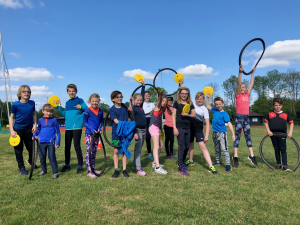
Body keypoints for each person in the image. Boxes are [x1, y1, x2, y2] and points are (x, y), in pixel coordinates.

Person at [57, 84, 88, 174]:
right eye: (70, 91)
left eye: (73, 91)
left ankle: (80, 166)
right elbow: (65, 115)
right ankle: (67, 165)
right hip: (68, 127)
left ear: (76, 91)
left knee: (76, 146)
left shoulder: (80, 100)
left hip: (77, 126)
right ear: (67, 92)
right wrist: (59, 106)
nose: (71, 92)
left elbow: (87, 109)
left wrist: (81, 107)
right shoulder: (67, 103)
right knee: (67, 147)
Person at [9, 85, 37, 175]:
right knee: (18, 150)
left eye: (28, 91)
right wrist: (11, 130)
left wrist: (35, 125)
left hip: (29, 129)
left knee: (31, 148)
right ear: (19, 93)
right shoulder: (15, 105)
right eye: (24, 91)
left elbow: (34, 115)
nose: (26, 93)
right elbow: (11, 118)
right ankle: (21, 167)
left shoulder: (32, 103)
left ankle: (31, 160)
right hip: (18, 130)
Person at [233, 66, 257, 167]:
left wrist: (252, 73)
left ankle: (251, 155)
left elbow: (252, 83)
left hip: (246, 118)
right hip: (239, 117)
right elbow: (239, 83)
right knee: (237, 137)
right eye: (241, 87)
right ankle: (235, 157)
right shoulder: (238, 95)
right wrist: (240, 73)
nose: (242, 88)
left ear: (246, 89)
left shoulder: (247, 95)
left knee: (248, 136)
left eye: (244, 87)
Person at [187, 92, 217, 174]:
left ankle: (211, 166)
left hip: (198, 130)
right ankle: (190, 161)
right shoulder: (192, 104)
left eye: (201, 99)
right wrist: (181, 83)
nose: (199, 100)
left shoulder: (204, 109)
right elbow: (188, 93)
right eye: (198, 99)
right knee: (191, 145)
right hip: (189, 129)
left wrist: (206, 135)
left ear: (203, 100)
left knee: (203, 147)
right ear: (195, 99)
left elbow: (207, 123)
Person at [206, 95, 235, 172]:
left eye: (219, 104)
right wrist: (207, 98)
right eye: (216, 104)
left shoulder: (225, 114)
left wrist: (233, 134)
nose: (218, 105)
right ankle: (218, 161)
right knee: (217, 148)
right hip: (214, 133)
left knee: (224, 149)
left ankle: (228, 165)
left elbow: (229, 123)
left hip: (222, 134)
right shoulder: (214, 111)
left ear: (223, 104)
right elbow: (207, 106)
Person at [264, 98, 294, 171]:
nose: (278, 107)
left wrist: (290, 132)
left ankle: (285, 165)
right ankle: (278, 164)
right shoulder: (270, 114)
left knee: (283, 149)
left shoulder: (285, 114)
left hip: (282, 135)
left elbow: (291, 123)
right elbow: (266, 122)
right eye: (276, 105)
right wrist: (268, 131)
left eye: (279, 105)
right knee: (276, 149)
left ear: (282, 105)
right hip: (273, 135)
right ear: (273, 105)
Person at [32, 104, 60, 179]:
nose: (49, 113)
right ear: (43, 111)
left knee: (51, 157)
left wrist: (58, 142)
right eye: (47, 111)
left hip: (51, 142)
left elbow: (58, 132)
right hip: (42, 142)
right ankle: (44, 170)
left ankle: (55, 172)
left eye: (50, 112)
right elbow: (39, 130)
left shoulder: (54, 120)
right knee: (42, 157)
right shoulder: (40, 120)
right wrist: (35, 135)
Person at [173, 87, 196, 176]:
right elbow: (173, 116)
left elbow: (194, 115)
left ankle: (182, 163)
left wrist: (188, 115)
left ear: (188, 94)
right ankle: (180, 167)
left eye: (186, 93)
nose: (184, 95)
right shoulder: (176, 103)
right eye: (182, 93)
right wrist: (174, 128)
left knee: (187, 147)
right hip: (179, 128)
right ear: (179, 94)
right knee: (181, 147)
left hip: (188, 128)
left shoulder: (190, 104)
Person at [110, 91, 132, 178]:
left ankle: (124, 170)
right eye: (117, 97)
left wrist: (131, 110)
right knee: (116, 151)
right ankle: (116, 170)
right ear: (113, 99)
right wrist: (125, 125)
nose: (120, 98)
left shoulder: (125, 107)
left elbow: (131, 116)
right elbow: (115, 121)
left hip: (125, 133)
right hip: (116, 133)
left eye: (121, 97)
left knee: (124, 151)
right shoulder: (112, 109)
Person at [83, 94, 104, 179]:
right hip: (89, 134)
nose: (94, 103)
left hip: (97, 134)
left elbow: (101, 121)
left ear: (98, 101)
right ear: (90, 101)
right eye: (93, 101)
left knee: (94, 152)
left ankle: (93, 168)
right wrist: (91, 129)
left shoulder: (101, 111)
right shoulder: (87, 111)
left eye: (96, 101)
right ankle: (89, 171)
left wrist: (99, 127)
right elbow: (84, 122)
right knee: (89, 152)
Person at [129, 81, 147, 176]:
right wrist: (135, 132)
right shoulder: (134, 109)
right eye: (137, 100)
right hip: (138, 131)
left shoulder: (141, 107)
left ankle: (135, 164)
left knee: (139, 149)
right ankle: (139, 169)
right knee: (138, 150)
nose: (139, 101)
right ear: (134, 100)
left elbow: (142, 95)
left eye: (140, 100)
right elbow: (132, 121)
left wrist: (143, 86)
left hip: (143, 130)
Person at [149, 91, 169, 174]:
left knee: (161, 145)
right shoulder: (157, 107)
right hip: (153, 127)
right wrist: (160, 97)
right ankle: (157, 167)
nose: (163, 103)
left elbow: (160, 120)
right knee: (156, 146)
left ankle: (154, 162)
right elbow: (159, 102)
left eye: (165, 101)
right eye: (163, 101)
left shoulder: (161, 110)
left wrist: (161, 130)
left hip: (157, 128)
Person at [143, 90, 155, 161]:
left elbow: (154, 113)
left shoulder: (152, 104)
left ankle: (150, 154)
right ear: (143, 96)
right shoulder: (141, 104)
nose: (147, 97)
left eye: (148, 96)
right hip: (143, 121)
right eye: (146, 96)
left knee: (148, 138)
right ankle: (135, 155)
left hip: (150, 121)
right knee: (139, 139)